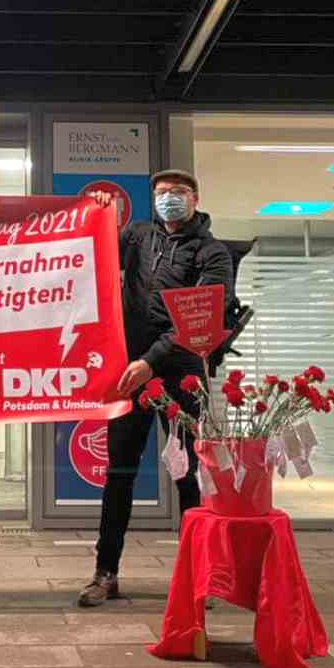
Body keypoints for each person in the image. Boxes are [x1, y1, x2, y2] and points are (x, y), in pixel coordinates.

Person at [78, 169, 233, 607]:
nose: (170, 199)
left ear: (195, 198)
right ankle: (105, 573)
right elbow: (96, 249)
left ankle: (199, 580)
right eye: (163, 193)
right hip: (130, 374)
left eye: (178, 193)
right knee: (119, 475)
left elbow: (201, 318)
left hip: (180, 376)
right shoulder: (141, 236)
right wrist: (95, 215)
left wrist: (151, 360)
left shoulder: (212, 252)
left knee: (187, 479)